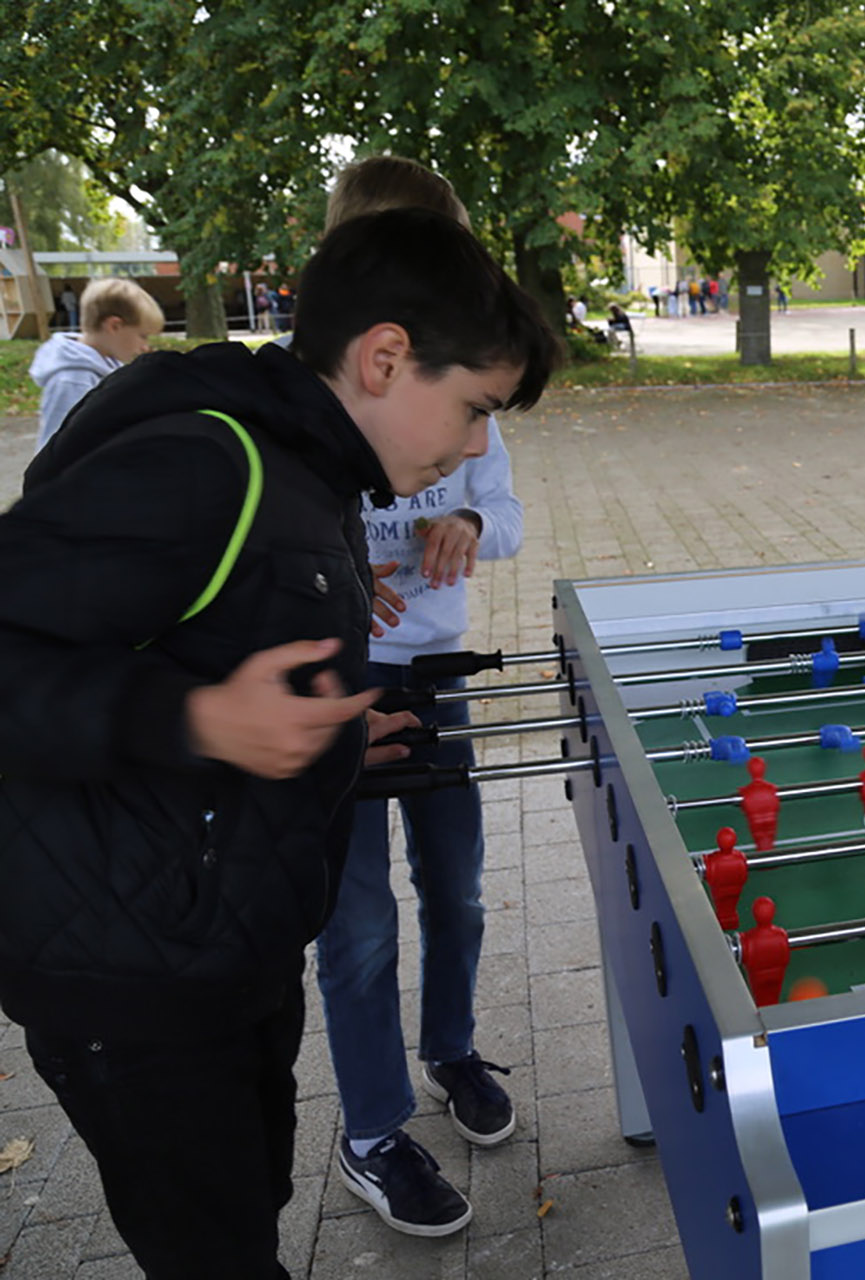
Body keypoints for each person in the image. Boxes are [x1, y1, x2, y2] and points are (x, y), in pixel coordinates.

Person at [0, 206, 558, 1279]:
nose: (479, 445)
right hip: (125, 976)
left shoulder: (316, 470)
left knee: (251, 1210)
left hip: (222, 943)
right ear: (386, 356)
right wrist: (201, 719)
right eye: (476, 406)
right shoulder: (207, 461)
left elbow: (215, 636)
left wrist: (342, 740)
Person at [307, 154, 528, 1240]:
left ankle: (449, 1048)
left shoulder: (467, 385)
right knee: (354, 924)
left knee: (461, 889)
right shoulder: (312, 397)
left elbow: (508, 506)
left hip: (434, 677)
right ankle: (370, 1126)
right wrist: (341, 583)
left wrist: (475, 524)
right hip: (337, 690)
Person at [30, 276, 166, 453]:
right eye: (142, 336)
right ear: (114, 326)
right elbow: (54, 450)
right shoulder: (72, 380)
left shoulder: (109, 361)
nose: (145, 346)